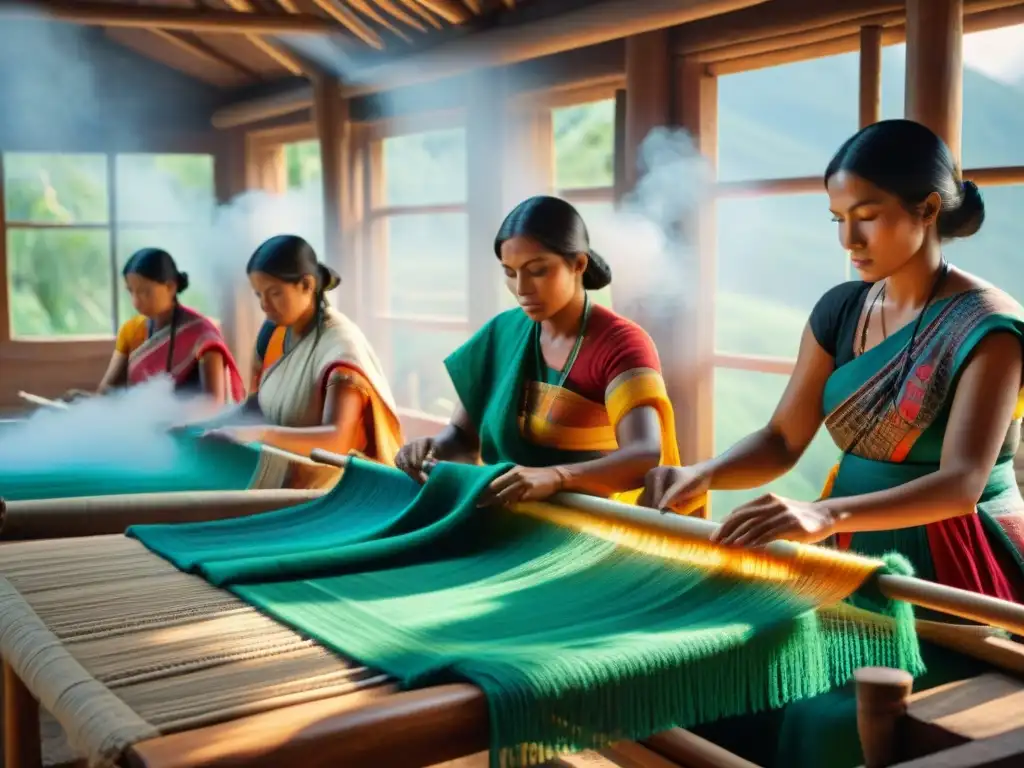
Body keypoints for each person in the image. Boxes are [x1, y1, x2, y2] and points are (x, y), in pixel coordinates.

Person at [641, 119, 1024, 767]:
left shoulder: (989, 327)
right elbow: (782, 438)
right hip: (849, 553)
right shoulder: (843, 310)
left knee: (831, 719)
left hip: (955, 566)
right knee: (733, 677)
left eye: (868, 216)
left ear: (928, 209)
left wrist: (820, 514)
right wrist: (703, 474)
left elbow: (962, 483)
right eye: (837, 218)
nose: (849, 239)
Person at [395, 195, 686, 507]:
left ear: (578, 264)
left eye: (537, 270)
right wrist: (432, 448)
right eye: (510, 272)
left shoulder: (621, 343)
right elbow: (462, 438)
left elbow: (643, 454)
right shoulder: (501, 332)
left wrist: (557, 477)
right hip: (503, 512)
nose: (521, 288)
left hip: (590, 525)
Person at [201, 235, 403, 487]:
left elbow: (337, 441)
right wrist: (208, 424)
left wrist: (259, 434)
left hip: (330, 487)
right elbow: (259, 405)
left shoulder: (341, 347)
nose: (264, 305)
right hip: (276, 468)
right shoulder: (275, 332)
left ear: (307, 285)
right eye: (259, 294)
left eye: (275, 293)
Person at [83, 248, 244, 404]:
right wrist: (82, 401)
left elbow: (212, 403)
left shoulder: (202, 335)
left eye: (145, 292)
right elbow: (109, 390)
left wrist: (166, 418)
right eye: (131, 292)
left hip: (189, 428)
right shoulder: (131, 330)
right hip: (137, 424)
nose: (136, 302)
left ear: (170, 287)